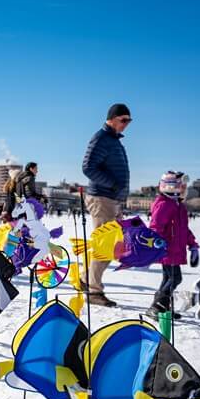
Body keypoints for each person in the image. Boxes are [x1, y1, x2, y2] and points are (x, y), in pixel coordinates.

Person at [81, 103, 132, 307]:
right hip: (102, 198)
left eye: (129, 121)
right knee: (106, 246)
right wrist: (112, 185)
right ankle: (93, 290)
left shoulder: (113, 141)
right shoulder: (101, 138)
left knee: (110, 245)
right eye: (123, 120)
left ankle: (87, 280)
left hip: (111, 199)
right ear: (111, 118)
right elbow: (87, 167)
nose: (126, 124)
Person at [146, 172, 198, 319]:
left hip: (176, 250)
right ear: (173, 187)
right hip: (167, 250)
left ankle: (163, 308)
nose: (184, 189)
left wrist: (193, 245)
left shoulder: (178, 206)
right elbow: (155, 227)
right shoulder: (164, 205)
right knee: (175, 279)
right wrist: (158, 243)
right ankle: (156, 307)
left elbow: (184, 230)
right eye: (182, 186)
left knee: (167, 278)